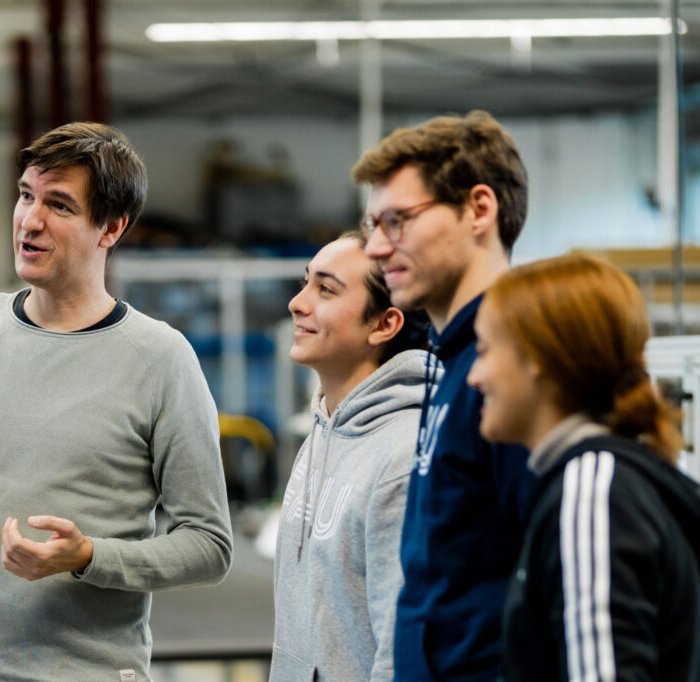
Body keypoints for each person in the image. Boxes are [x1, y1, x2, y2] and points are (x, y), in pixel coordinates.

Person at [0, 122, 233, 682]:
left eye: (59, 205)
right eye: (26, 195)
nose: (30, 219)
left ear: (112, 228)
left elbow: (209, 545)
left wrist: (90, 557)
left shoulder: (160, 360)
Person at [353, 110, 537, 681]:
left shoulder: (518, 363)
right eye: (372, 226)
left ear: (479, 209)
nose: (376, 248)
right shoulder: (453, 360)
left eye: (397, 222)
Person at [467, 253, 700, 682]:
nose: (473, 377)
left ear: (537, 356)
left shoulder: (592, 489)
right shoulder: (608, 477)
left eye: (483, 351)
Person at [269, 232, 433, 682]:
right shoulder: (323, 429)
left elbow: (400, 649)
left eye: (326, 289)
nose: (297, 303)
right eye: (305, 283)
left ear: (383, 324)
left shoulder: (402, 456)